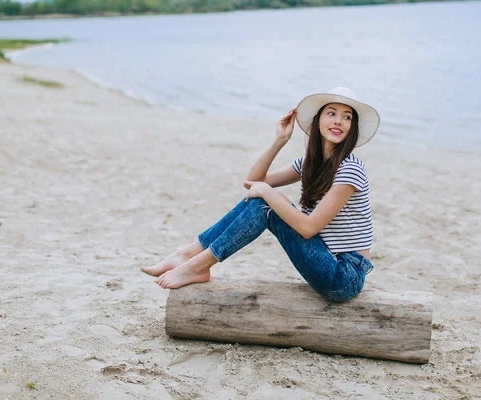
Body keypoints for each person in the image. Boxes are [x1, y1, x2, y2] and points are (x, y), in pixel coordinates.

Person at [142, 87, 380, 302]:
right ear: (318, 120)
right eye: (332, 113)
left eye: (347, 117)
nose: (339, 121)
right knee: (261, 200)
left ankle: (197, 265)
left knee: (265, 204)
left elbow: (308, 228)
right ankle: (188, 254)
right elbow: (252, 183)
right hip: (324, 258)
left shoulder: (351, 169)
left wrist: (268, 192)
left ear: (352, 127)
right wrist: (280, 141)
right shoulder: (311, 163)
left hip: (344, 276)